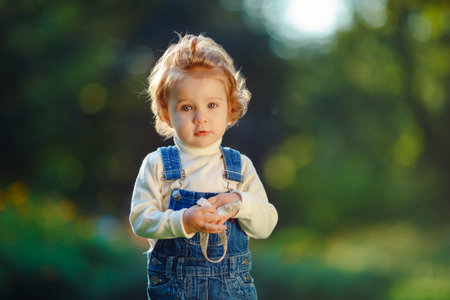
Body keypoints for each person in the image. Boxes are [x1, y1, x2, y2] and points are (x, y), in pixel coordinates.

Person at [129, 33, 278, 300]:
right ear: (166, 113)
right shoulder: (158, 164)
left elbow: (266, 224)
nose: (201, 118)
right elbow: (140, 220)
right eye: (187, 107)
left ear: (230, 108)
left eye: (212, 105)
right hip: (175, 290)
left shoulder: (239, 167)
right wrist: (183, 220)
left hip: (232, 290)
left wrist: (241, 201)